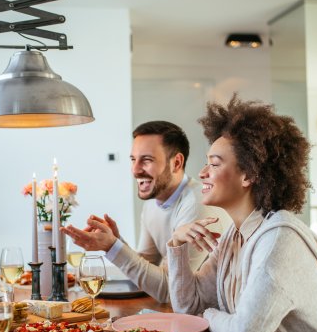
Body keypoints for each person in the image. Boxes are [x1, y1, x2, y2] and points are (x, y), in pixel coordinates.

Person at [166, 94, 317, 332]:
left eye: (214, 164)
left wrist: (209, 314)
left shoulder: (280, 240)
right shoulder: (235, 234)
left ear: (249, 174)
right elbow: (187, 309)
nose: (202, 172)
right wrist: (177, 244)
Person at [63, 120, 229, 303]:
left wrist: (112, 247)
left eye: (147, 160)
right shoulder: (152, 204)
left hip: (208, 317)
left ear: (176, 163)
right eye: (133, 159)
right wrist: (117, 241)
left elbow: (171, 290)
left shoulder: (198, 202)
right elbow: (147, 267)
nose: (135, 170)